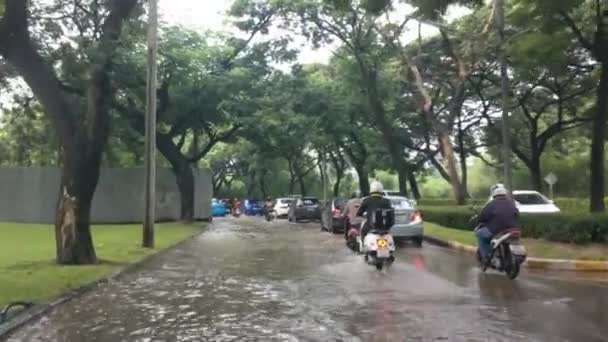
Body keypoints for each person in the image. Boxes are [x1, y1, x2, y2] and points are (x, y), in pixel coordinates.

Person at [475, 183, 520, 263]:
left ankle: (486, 256)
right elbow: (517, 214)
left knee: (479, 234)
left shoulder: (491, 205)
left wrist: (479, 221)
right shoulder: (511, 204)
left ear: (494, 195)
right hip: (512, 229)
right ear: (505, 194)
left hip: (496, 230)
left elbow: (483, 217)